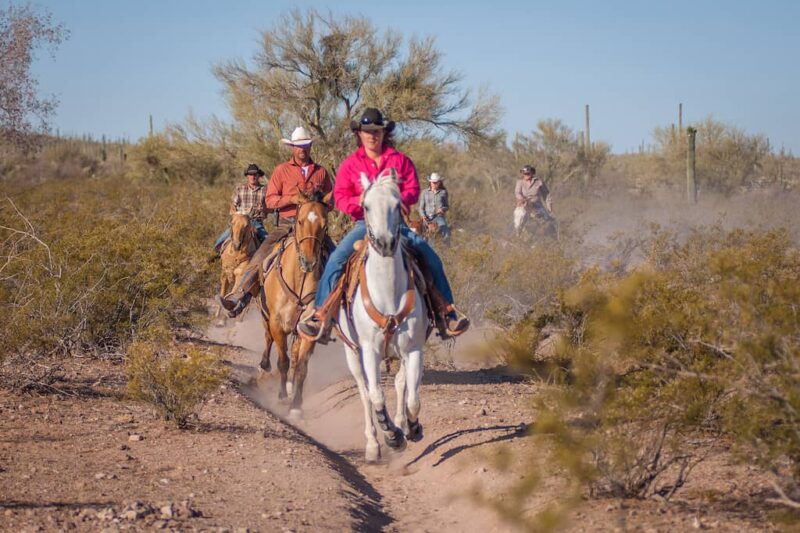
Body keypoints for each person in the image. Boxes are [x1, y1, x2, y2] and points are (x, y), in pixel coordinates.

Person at [298, 108, 469, 341]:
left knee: (430, 257)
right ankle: (320, 314)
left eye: (376, 131)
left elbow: (412, 190)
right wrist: (358, 203)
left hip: (396, 225)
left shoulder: (400, 161)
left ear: (383, 133)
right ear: (359, 134)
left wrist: (398, 199)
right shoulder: (350, 165)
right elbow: (340, 195)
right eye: (367, 131)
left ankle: (447, 312)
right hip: (363, 225)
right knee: (337, 260)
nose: (372, 136)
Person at [216, 127, 334, 317]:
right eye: (297, 146)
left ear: (310, 146)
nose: (301, 149)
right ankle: (239, 298)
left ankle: (340, 304)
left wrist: (319, 207)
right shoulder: (281, 171)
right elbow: (270, 201)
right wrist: (291, 200)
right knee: (261, 255)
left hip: (312, 229)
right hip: (287, 225)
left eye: (305, 145)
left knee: (335, 257)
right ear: (292, 148)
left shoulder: (321, 173)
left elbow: (331, 202)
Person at [213, 164, 268, 252]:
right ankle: (216, 253)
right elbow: (232, 206)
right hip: (240, 221)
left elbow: (271, 209)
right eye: (250, 174)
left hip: (256, 222)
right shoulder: (240, 189)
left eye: (255, 174)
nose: (253, 176)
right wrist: (236, 213)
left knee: (267, 240)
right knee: (221, 239)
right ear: (247, 176)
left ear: (259, 176)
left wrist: (264, 208)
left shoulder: (265, 190)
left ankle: (266, 262)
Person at [419, 172, 451, 245]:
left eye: (436, 182)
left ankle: (446, 248)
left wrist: (442, 209)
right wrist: (423, 216)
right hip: (426, 217)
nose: (434, 184)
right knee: (419, 233)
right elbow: (421, 207)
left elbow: (447, 206)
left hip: (438, 217)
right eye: (433, 182)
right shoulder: (424, 192)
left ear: (439, 182)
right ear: (430, 182)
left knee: (445, 231)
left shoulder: (443, 192)